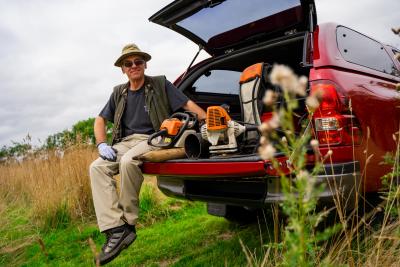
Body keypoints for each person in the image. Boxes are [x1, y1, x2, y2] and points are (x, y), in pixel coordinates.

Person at [89, 43, 206, 265]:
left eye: (138, 62)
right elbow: (100, 119)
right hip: (125, 141)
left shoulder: (160, 83)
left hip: (155, 138)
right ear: (122, 69)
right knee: (96, 167)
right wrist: (101, 144)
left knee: (127, 161)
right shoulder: (118, 92)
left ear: (145, 64)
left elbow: (188, 104)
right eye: (128, 63)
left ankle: (129, 222)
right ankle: (115, 228)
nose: (134, 66)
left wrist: (206, 121)